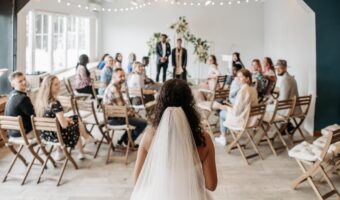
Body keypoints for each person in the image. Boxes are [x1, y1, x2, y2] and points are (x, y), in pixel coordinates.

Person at [131, 79, 217, 200]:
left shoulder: (149, 136)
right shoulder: (204, 139)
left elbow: (137, 181)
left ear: (160, 102)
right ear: (190, 103)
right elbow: (211, 185)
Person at [35, 75, 96, 160]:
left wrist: (65, 119)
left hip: (46, 135)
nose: (58, 86)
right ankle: (83, 148)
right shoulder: (55, 104)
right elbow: (64, 126)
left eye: (59, 83)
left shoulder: (40, 101)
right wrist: (67, 120)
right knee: (75, 121)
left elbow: (53, 119)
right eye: (55, 84)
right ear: (49, 87)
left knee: (72, 119)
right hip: (58, 136)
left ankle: (60, 152)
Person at [103, 68, 147, 147]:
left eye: (124, 76)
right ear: (114, 77)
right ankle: (128, 142)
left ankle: (122, 141)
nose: (123, 78)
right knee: (143, 123)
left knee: (135, 119)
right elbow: (122, 110)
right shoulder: (114, 89)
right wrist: (133, 114)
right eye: (120, 76)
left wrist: (132, 113)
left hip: (115, 116)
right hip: (114, 119)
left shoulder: (115, 86)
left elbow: (123, 106)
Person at [215, 69, 258, 146]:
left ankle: (223, 137)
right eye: (237, 77)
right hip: (251, 119)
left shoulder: (244, 89)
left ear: (247, 78)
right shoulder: (253, 88)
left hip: (243, 120)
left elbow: (236, 112)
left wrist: (225, 107)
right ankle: (223, 136)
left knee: (222, 113)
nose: (238, 79)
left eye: (240, 77)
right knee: (224, 109)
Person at [5, 71, 35, 138]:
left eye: (24, 79)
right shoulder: (23, 98)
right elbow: (33, 117)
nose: (24, 82)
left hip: (12, 133)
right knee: (51, 128)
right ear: (12, 85)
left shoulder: (11, 95)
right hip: (24, 133)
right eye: (20, 81)